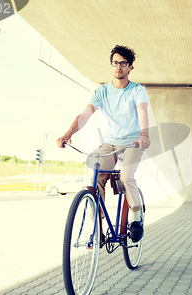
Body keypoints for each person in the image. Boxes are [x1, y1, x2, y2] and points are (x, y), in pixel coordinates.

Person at [56, 45, 150, 243]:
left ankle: (136, 217)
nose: (118, 67)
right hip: (110, 143)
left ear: (130, 67)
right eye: (115, 63)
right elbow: (84, 115)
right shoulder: (102, 92)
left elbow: (142, 111)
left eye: (123, 64)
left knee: (126, 175)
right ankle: (97, 226)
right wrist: (68, 133)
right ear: (111, 65)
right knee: (97, 176)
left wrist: (144, 134)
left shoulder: (137, 91)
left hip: (133, 141)